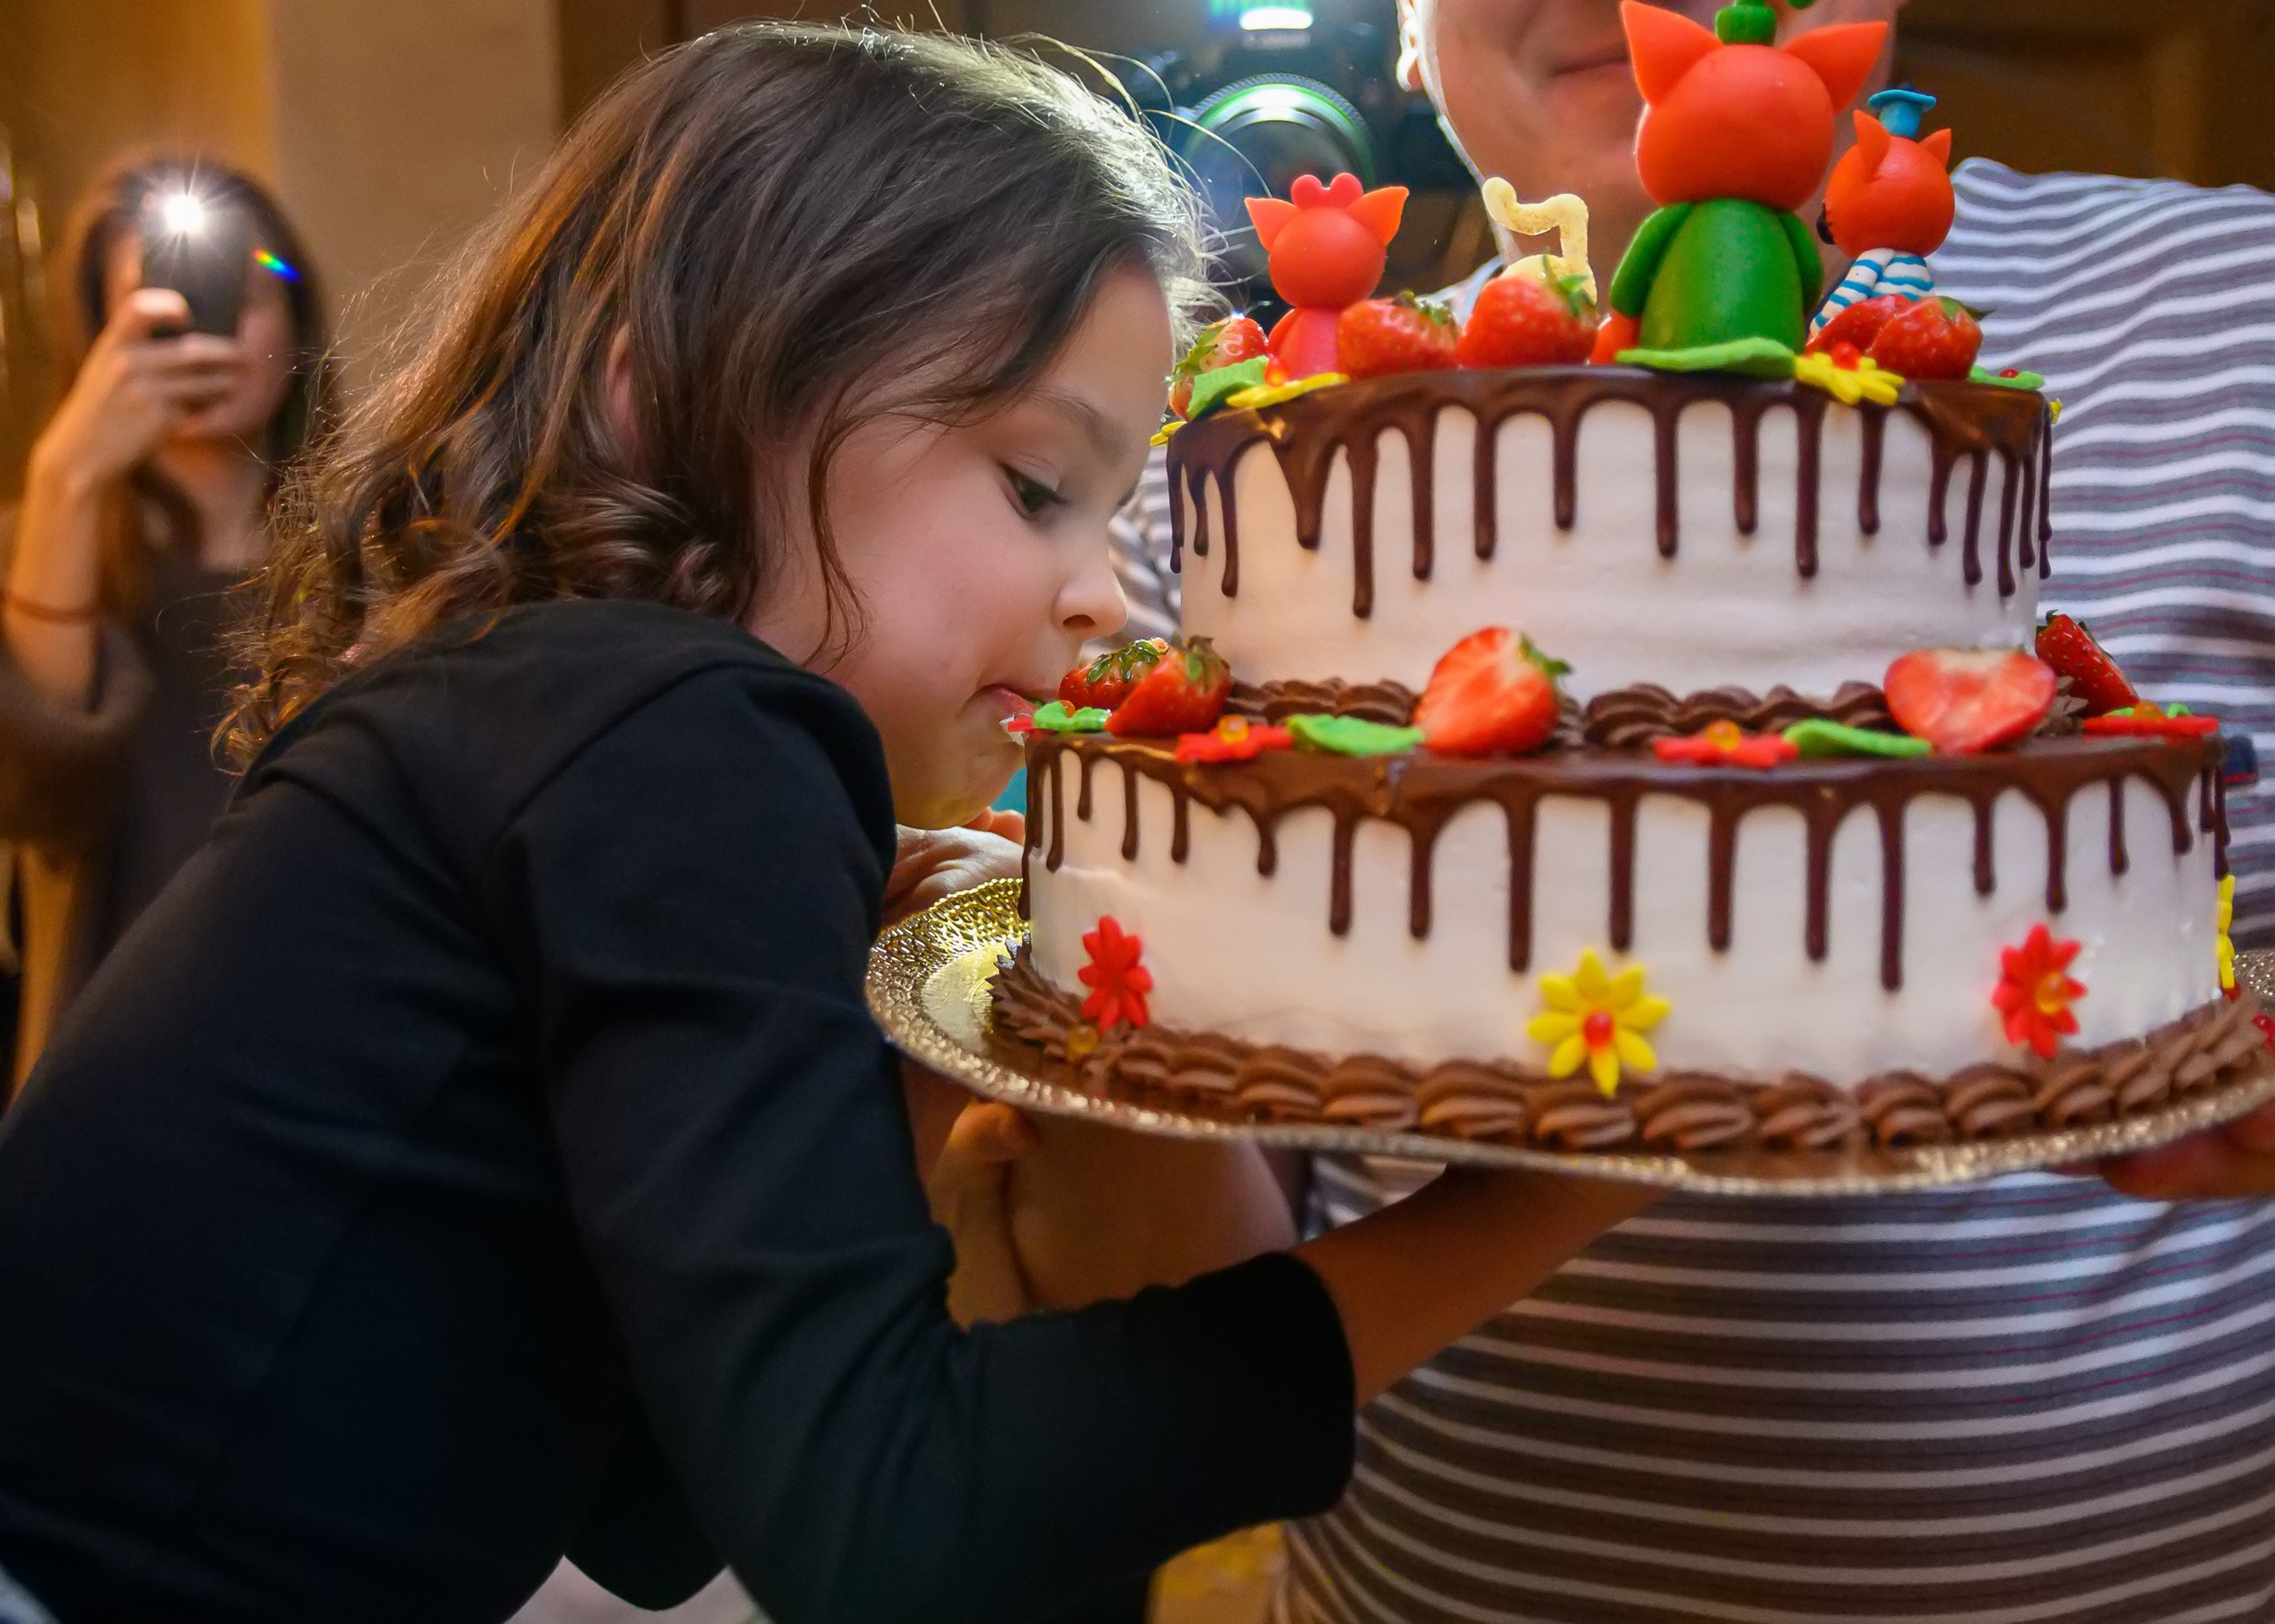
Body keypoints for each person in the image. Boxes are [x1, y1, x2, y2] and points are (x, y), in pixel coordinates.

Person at [0, 26, 1659, 1624]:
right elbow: (881, 1534)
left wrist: (910, 1076)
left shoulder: (541, 706)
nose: (1101, 593)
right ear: (666, 398)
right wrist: (1545, 1199)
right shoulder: (682, 723)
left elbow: (657, 1508)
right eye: (1034, 485)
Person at [1021, 0, 2275, 1617]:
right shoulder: (1245, 465)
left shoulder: (2244, 309)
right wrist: (1080, 1015)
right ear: (1406, 32)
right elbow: (1169, 1268)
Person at [0, 156, 324, 1095]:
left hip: (329, 1059)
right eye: (164, 298)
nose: (206, 323)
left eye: (240, 282)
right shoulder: (35, 550)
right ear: (104, 336)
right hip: (111, 1079)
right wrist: (70, 476)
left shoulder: (383, 549)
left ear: (298, 317)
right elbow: (37, 794)